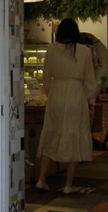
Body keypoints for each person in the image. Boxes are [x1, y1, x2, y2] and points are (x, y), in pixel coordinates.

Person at [35, 18, 97, 194]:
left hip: (56, 94)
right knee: (74, 137)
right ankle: (68, 185)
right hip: (76, 95)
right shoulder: (84, 51)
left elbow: (46, 78)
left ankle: (41, 179)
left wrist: (51, 94)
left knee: (51, 135)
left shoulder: (51, 50)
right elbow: (89, 79)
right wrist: (91, 102)